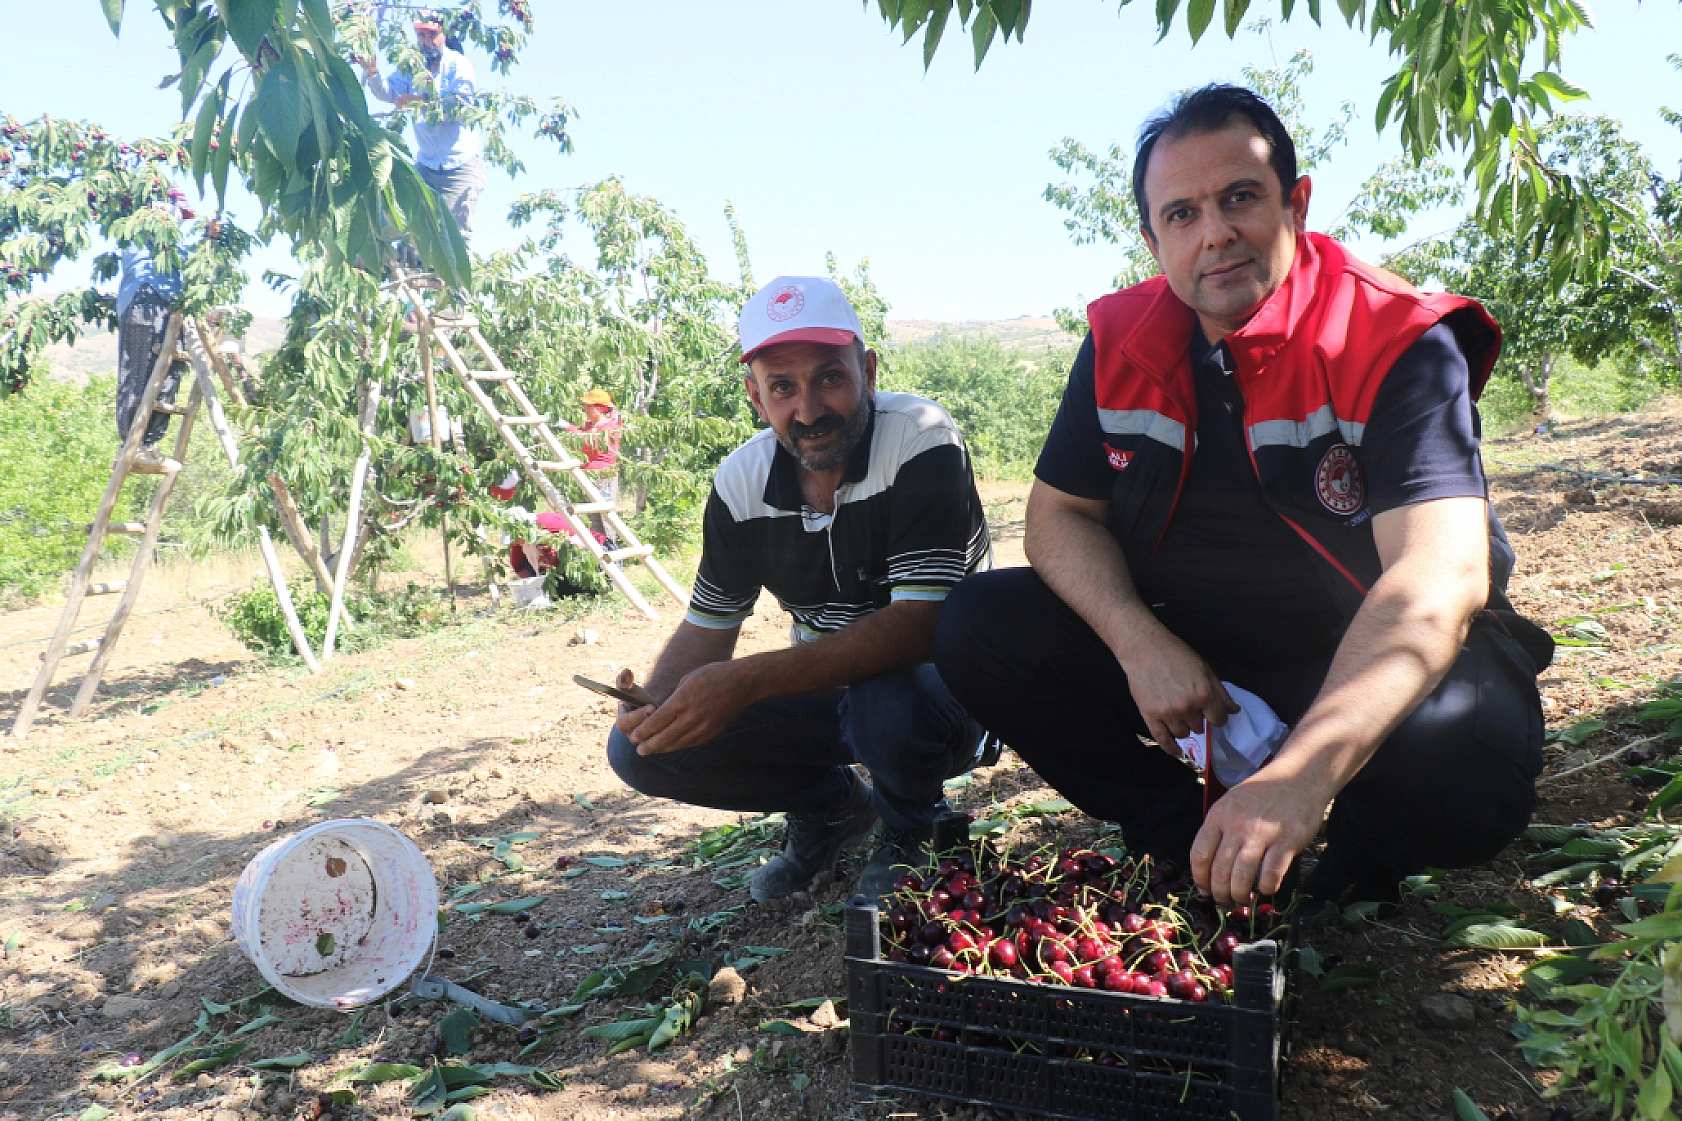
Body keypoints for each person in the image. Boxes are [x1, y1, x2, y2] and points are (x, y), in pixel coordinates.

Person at [932, 85, 1553, 912]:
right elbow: (1056, 517)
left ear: (1296, 203)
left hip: (1350, 651)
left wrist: (1300, 776)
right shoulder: (1122, 342)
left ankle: (1350, 864)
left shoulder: (1392, 338)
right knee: (979, 624)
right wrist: (1136, 639)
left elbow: (1438, 581)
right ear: (1153, 240)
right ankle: (1184, 837)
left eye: (1239, 198)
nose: (1214, 233)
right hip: (1200, 662)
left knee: (1469, 754)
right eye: (1182, 214)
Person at [606, 276, 995, 903]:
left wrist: (751, 679)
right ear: (756, 397)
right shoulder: (741, 483)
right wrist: (659, 699)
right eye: (782, 387)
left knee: (888, 701)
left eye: (829, 378)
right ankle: (834, 805)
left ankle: (915, 831)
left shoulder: (920, 436)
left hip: (948, 684)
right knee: (643, 750)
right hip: (832, 691)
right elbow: (709, 625)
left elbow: (921, 625)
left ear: (867, 371)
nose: (808, 410)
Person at [115, 191, 219, 474]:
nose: (179, 222)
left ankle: (148, 443)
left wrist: (208, 242)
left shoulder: (174, 245)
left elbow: (191, 263)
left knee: (169, 373)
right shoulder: (142, 232)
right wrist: (205, 241)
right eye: (177, 214)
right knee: (140, 372)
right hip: (145, 299)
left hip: (172, 307)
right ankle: (131, 443)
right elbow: (180, 255)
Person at [361, 16, 486, 243]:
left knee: (453, 236)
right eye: (421, 35)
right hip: (427, 164)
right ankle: (387, 265)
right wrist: (372, 73)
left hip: (458, 166)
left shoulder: (458, 64)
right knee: (399, 217)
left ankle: (450, 278)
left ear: (443, 36)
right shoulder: (412, 66)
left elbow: (459, 105)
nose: (427, 41)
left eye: (432, 35)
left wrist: (420, 100)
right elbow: (389, 93)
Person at [560, 388, 623, 546]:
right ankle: (598, 555)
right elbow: (576, 445)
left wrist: (568, 427)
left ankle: (612, 554)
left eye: (589, 406)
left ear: (600, 408)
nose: (586, 410)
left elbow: (589, 444)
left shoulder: (609, 428)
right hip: (587, 478)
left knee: (606, 520)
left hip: (604, 478)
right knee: (592, 521)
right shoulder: (589, 427)